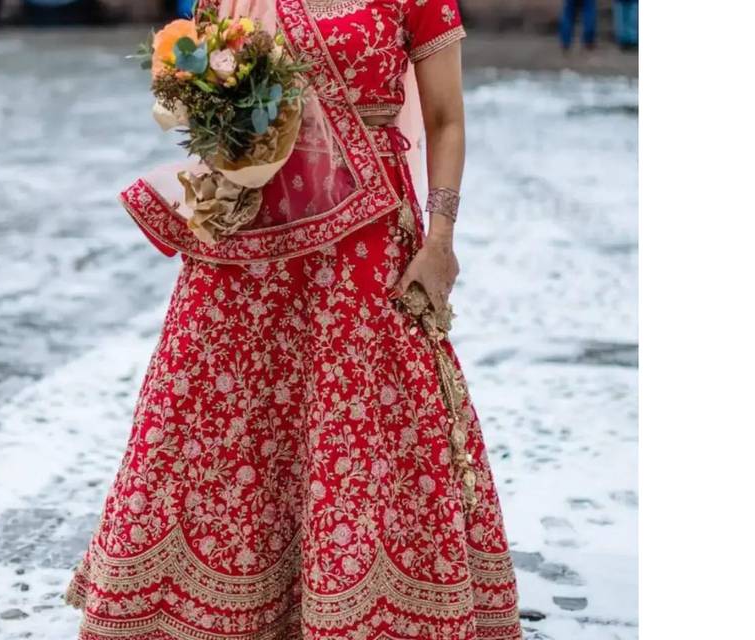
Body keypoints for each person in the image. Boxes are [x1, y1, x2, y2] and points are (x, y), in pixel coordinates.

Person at [65, 1, 523, 639]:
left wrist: (440, 238)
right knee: (216, 418)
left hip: (365, 250)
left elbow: (445, 119)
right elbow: (205, 101)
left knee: (361, 428)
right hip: (249, 242)